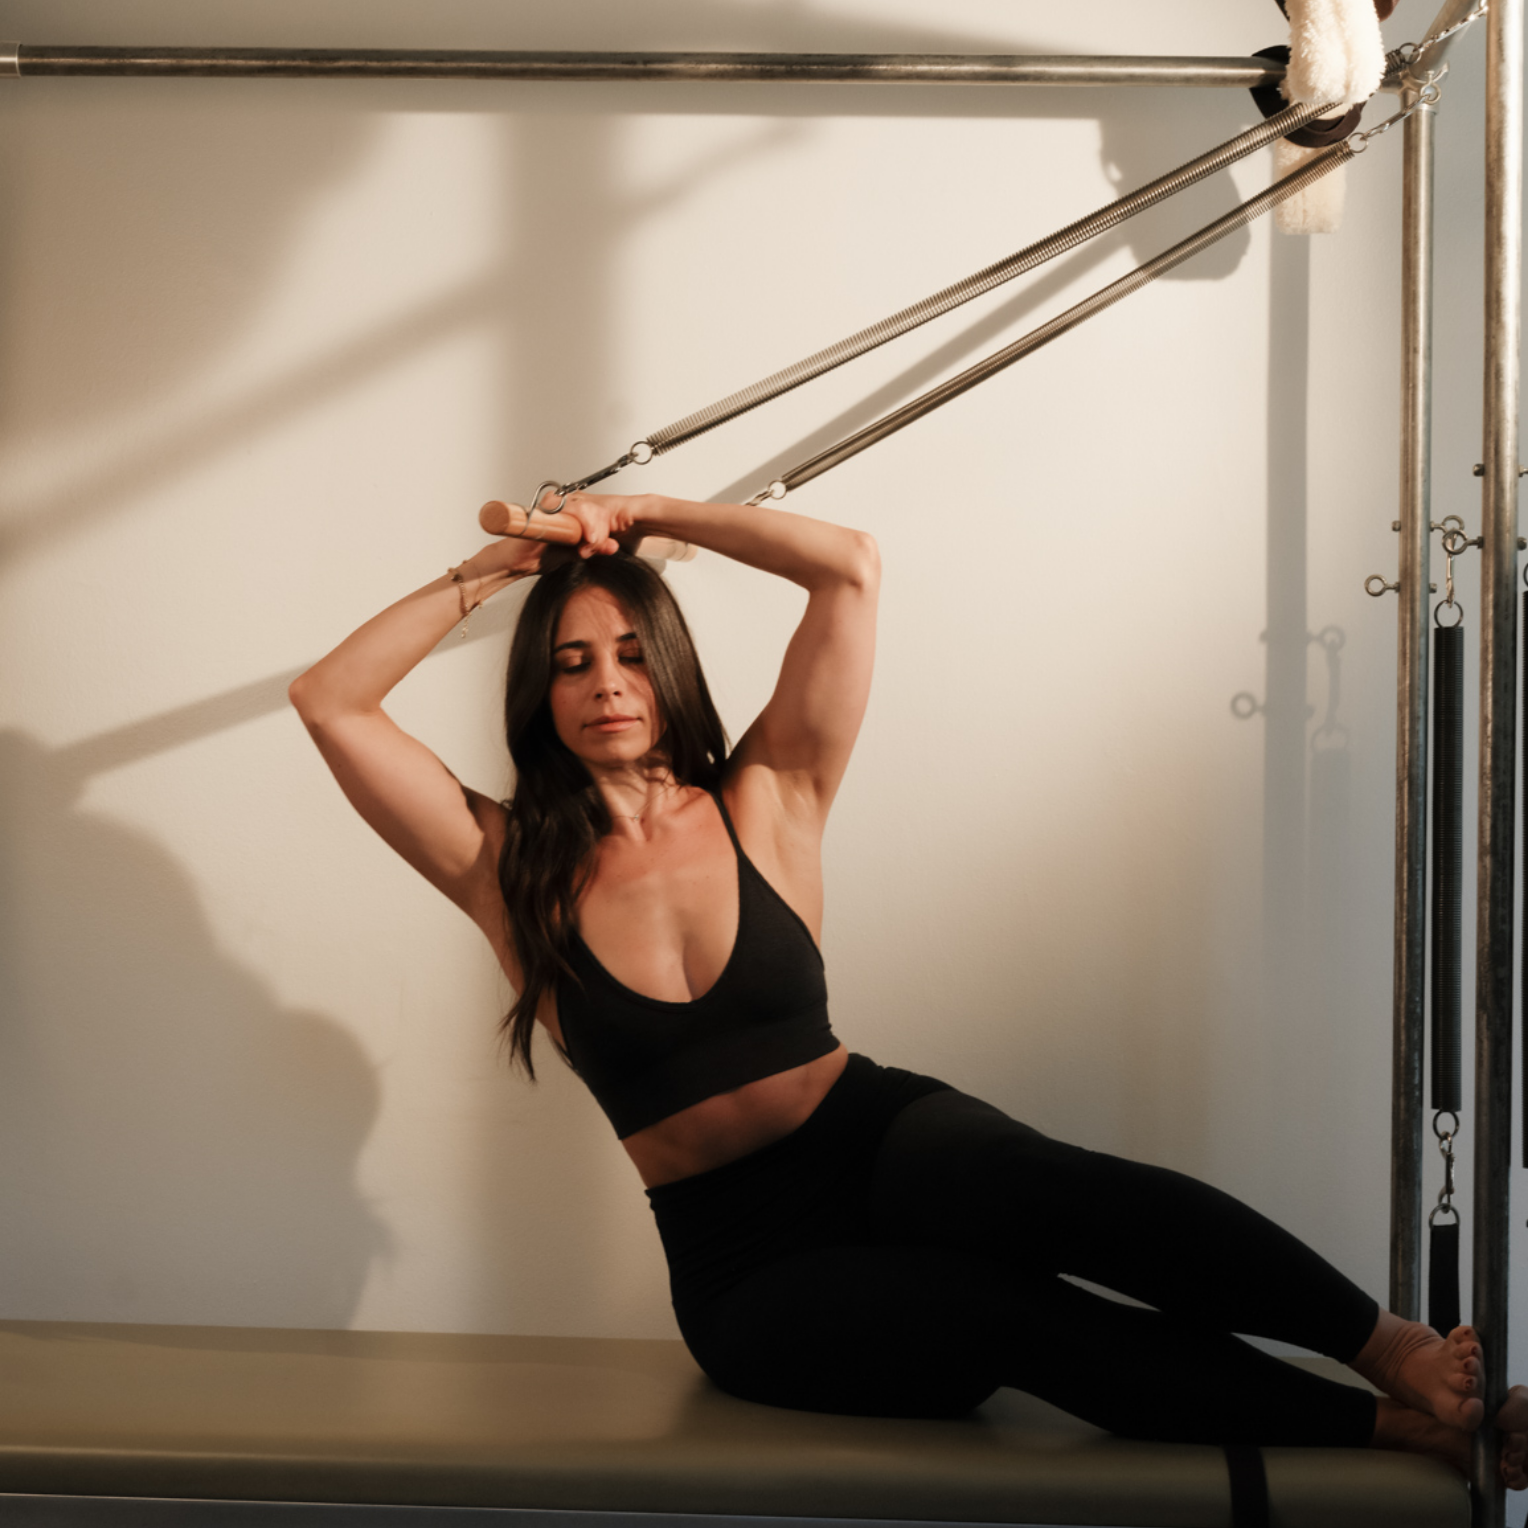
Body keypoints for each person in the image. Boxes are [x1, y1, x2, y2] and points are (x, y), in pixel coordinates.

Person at [289, 491, 1527, 1484]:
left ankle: (1396, 1351)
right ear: (538, 693)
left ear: (667, 665)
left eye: (627, 649)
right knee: (1004, 1316)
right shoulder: (506, 867)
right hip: (745, 1262)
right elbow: (330, 698)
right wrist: (511, 569)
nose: (605, 680)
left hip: (870, 1133)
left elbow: (848, 568)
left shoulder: (767, 794)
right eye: (570, 662)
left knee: (1055, 1188)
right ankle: (1398, 1435)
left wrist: (648, 516)